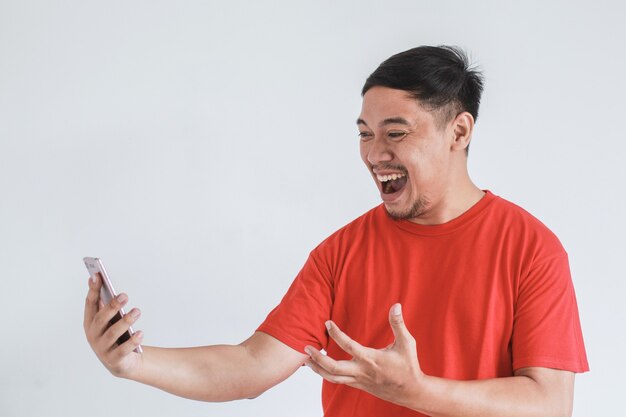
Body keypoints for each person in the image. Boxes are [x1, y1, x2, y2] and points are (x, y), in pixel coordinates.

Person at [83, 45, 588, 417]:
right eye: (365, 135)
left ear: (459, 131)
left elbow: (548, 404)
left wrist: (415, 389)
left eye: (396, 133)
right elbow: (252, 365)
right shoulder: (342, 252)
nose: (374, 154)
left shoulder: (531, 248)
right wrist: (134, 363)